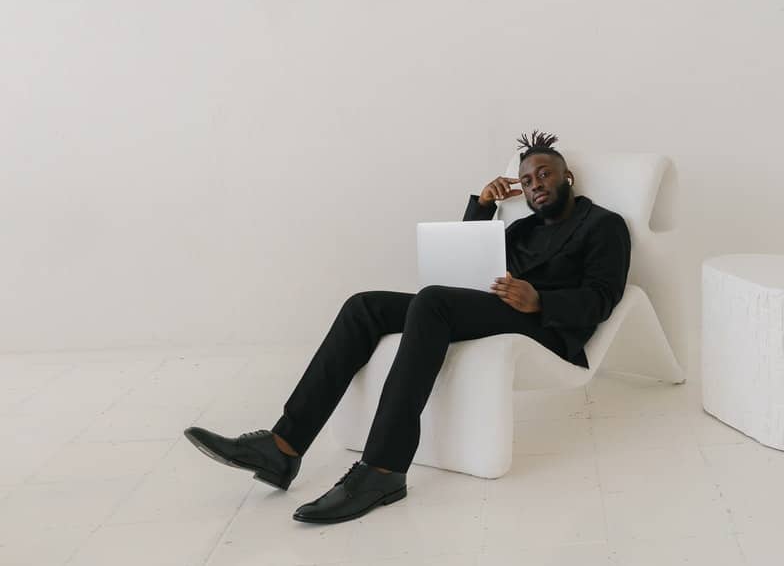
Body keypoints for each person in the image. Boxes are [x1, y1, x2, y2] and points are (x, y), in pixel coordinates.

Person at [183, 130, 631, 524]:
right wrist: (483, 205)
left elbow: (603, 298)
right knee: (365, 306)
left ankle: (382, 469)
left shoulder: (604, 226)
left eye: (545, 174)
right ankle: (282, 447)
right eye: (528, 180)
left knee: (432, 301)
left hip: (547, 329)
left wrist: (540, 301)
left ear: (566, 176)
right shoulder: (520, 231)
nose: (536, 185)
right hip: (498, 308)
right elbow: (466, 267)